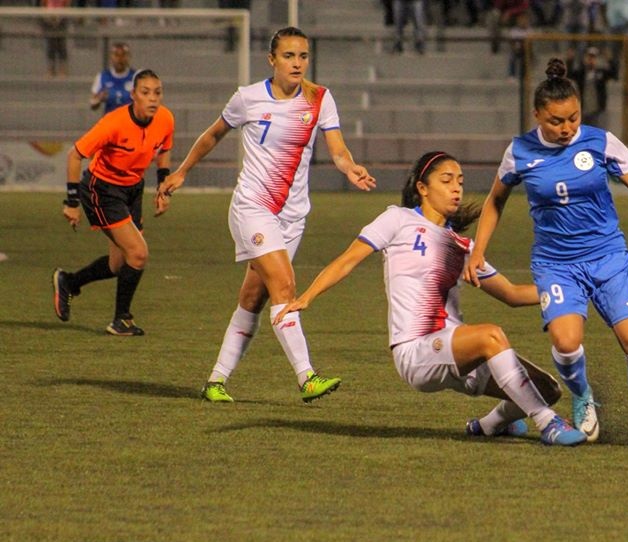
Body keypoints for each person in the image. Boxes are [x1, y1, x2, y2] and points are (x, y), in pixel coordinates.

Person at [465, 58, 628, 448]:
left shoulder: (600, 141)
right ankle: (582, 397)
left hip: (607, 255)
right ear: (537, 115)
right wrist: (479, 251)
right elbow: (495, 201)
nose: (566, 128)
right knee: (565, 342)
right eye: (556, 121)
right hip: (556, 263)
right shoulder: (519, 151)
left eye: (573, 119)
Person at [274, 151, 587, 446]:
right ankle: (548, 424)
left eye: (460, 182)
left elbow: (512, 294)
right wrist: (308, 296)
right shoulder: (397, 220)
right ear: (422, 188)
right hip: (416, 349)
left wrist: (571, 291)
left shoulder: (463, 246)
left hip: (458, 351)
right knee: (492, 336)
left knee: (547, 388)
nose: (456, 189)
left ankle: (490, 425)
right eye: (447, 180)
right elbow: (348, 259)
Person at [156, 27, 376, 403]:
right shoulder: (248, 98)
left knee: (253, 298)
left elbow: (337, 149)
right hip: (253, 208)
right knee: (285, 287)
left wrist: (350, 167)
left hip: (293, 217)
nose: (297, 63)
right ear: (271, 60)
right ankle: (307, 376)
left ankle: (215, 381)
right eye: (289, 56)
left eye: (303, 56)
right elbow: (214, 134)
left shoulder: (319, 98)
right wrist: (182, 171)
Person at [53, 69, 174, 336]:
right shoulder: (114, 123)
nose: (153, 98)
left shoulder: (164, 118)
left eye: (157, 92)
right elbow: (75, 155)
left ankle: (70, 281)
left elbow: (164, 149)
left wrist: (163, 188)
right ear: (133, 95)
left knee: (119, 264)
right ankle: (122, 319)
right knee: (138, 254)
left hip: (133, 189)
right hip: (102, 189)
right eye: (145, 92)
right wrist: (71, 202)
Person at [568, 46, 616, 129]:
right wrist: (570, 61)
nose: (591, 60)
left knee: (598, 131)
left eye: (593, 57)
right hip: (583, 109)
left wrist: (610, 60)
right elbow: (570, 74)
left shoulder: (601, 73)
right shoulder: (581, 73)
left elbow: (614, 74)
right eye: (589, 57)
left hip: (598, 109)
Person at [90, 42, 136, 115]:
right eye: (116, 55)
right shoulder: (102, 76)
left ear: (128, 57)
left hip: (130, 123)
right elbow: (93, 104)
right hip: (110, 123)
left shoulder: (136, 77)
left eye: (123, 55)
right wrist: (99, 99)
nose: (120, 59)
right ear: (111, 57)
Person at [39, 0, 70, 78]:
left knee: (62, 44)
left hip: (62, 18)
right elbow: (43, 4)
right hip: (49, 17)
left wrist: (61, 17)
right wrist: (46, 17)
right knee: (50, 44)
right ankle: (50, 69)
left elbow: (67, 4)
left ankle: (63, 69)